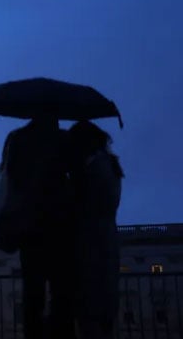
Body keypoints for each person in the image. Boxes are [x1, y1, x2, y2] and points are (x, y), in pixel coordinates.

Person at [0, 115, 75, 339]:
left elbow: (7, 180)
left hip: (30, 229)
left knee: (33, 295)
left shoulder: (18, 140)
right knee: (61, 294)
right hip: (58, 228)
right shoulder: (63, 141)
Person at [67, 120, 124, 339]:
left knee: (90, 311)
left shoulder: (93, 170)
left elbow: (81, 206)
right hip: (104, 243)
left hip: (90, 247)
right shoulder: (108, 165)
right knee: (103, 310)